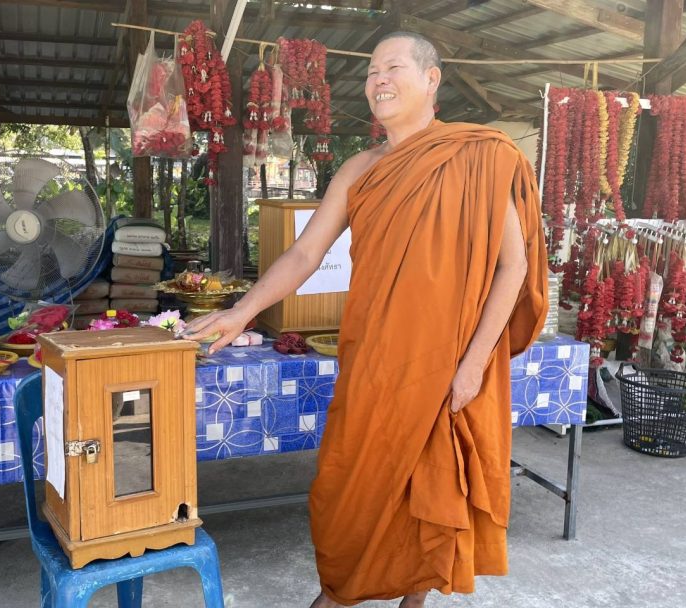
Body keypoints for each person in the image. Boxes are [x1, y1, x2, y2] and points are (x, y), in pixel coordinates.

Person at [183, 31, 548, 608]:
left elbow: (514, 266)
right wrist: (242, 310)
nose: (379, 80)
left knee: (431, 487)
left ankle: (413, 601)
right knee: (349, 489)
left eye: (393, 67)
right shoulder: (359, 168)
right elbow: (305, 254)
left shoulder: (482, 155)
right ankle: (339, 593)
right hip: (375, 356)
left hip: (448, 358)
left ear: (431, 79)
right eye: (373, 71)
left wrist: (474, 365)